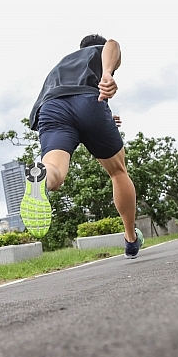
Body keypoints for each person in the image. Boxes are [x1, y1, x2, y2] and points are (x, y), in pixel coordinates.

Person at [20, 34, 144, 259]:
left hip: (52, 109)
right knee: (118, 172)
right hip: (89, 102)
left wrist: (103, 117)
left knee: (54, 171)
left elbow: (70, 104)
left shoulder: (62, 63)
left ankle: (42, 176)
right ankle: (130, 238)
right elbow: (112, 45)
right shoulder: (100, 51)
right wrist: (107, 73)